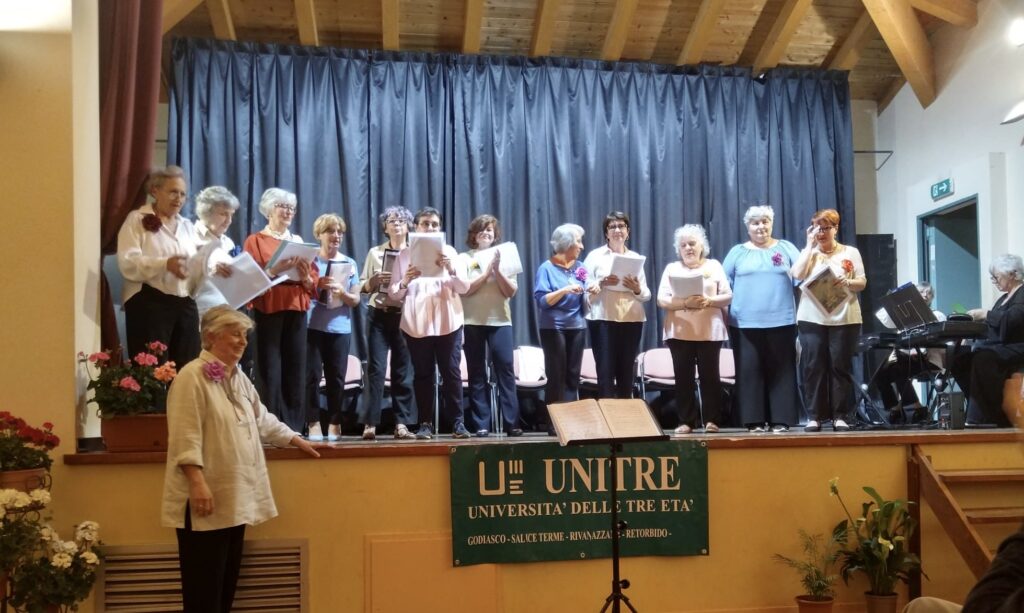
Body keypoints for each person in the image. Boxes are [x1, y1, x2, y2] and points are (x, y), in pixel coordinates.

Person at [161, 305, 321, 613]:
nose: (243, 341)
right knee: (203, 597)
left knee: (223, 593)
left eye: (245, 335)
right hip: (205, 501)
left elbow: (262, 418)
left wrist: (295, 439)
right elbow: (184, 435)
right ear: (210, 336)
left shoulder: (238, 378)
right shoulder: (191, 377)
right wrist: (197, 482)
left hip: (234, 499)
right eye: (235, 334)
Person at [390, 207, 471, 439]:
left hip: (448, 321)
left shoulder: (451, 252)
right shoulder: (404, 255)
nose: (430, 228)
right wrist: (405, 280)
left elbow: (464, 288)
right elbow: (394, 294)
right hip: (417, 323)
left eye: (435, 224)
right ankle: (425, 423)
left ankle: (457, 423)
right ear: (416, 227)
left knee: (451, 373)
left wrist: (451, 269)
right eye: (425, 223)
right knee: (423, 374)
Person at [242, 188, 318, 432]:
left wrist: (307, 278)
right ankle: (270, 424)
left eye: (291, 208)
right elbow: (249, 276)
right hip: (269, 304)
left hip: (296, 304)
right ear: (269, 210)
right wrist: (275, 269)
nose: (287, 212)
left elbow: (313, 280)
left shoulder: (298, 242)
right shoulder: (256, 240)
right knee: (269, 367)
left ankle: (293, 426)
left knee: (295, 366)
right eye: (282, 206)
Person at [721, 205, 802, 432]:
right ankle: (753, 421)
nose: (761, 227)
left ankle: (781, 420)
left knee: (782, 371)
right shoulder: (737, 252)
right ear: (747, 227)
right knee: (749, 372)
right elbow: (722, 285)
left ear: (772, 223)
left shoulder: (786, 248)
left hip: (783, 321)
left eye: (765, 221)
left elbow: (802, 280)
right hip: (743, 324)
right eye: (755, 223)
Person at [117, 165, 201, 370]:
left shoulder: (187, 226)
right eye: (173, 192)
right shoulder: (137, 219)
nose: (178, 199)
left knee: (188, 368)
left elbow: (195, 262)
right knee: (152, 370)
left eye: (183, 194)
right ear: (155, 191)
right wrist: (165, 264)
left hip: (185, 303)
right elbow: (128, 262)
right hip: (149, 302)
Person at [790, 208, 867, 432]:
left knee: (839, 366)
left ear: (836, 228)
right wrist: (809, 246)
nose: (821, 233)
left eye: (826, 228)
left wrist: (847, 282)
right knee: (813, 366)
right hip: (812, 318)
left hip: (844, 317)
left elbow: (862, 282)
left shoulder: (850, 252)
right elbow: (797, 274)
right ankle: (814, 416)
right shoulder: (809, 253)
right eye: (817, 228)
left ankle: (840, 416)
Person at [657, 225, 732, 434]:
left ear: (702, 246)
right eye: (683, 245)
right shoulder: (672, 268)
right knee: (683, 378)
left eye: (692, 244)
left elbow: (728, 296)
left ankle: (712, 420)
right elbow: (661, 299)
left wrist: (709, 300)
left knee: (711, 377)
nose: (688, 248)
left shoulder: (714, 266)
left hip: (710, 331)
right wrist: (684, 303)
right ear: (678, 249)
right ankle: (686, 421)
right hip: (679, 331)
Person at [459, 214, 522, 437]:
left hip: (500, 321)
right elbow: (465, 289)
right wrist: (486, 273)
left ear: (495, 235)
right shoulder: (464, 258)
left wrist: (497, 270)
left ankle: (512, 423)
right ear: (473, 235)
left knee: (505, 370)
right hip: (472, 321)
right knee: (476, 373)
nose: (486, 233)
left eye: (490, 230)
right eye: (481, 229)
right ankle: (481, 424)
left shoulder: (506, 255)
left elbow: (510, 291)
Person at [359, 206, 418, 440]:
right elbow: (362, 287)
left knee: (403, 370)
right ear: (385, 227)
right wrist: (373, 281)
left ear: (409, 226)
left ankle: (402, 423)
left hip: (405, 314)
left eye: (401, 220)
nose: (396, 224)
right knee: (375, 369)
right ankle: (370, 423)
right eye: (391, 221)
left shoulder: (415, 253)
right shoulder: (375, 252)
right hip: (379, 313)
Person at [582, 212, 651, 399]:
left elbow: (646, 294)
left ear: (628, 231)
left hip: (632, 320)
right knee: (605, 371)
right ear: (606, 233)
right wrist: (601, 282)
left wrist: (637, 288)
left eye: (621, 226)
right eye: (612, 227)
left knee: (626, 372)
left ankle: (624, 414)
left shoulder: (636, 257)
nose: (617, 230)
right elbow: (583, 285)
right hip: (603, 319)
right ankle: (607, 413)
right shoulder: (594, 256)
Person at [951, 253, 1024, 427]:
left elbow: (1014, 320)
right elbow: (995, 323)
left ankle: (985, 416)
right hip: (1001, 345)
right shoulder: (1003, 298)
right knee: (959, 360)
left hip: (1016, 345)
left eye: (996, 277)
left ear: (1012, 274)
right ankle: (984, 409)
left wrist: (986, 314)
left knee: (984, 358)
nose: (994, 281)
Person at [305, 214, 361, 441]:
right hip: (312, 326)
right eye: (330, 231)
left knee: (336, 378)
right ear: (319, 235)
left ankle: (335, 422)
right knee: (311, 376)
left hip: (340, 328)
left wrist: (342, 292)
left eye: (340, 232)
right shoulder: (310, 261)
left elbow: (355, 300)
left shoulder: (350, 263)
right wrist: (316, 285)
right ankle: (313, 422)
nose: (336, 236)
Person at [534, 224, 588, 424]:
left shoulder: (580, 267)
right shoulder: (546, 268)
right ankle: (554, 422)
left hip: (577, 326)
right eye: (578, 242)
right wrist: (565, 290)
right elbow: (542, 301)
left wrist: (593, 289)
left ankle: (570, 421)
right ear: (566, 243)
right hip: (553, 327)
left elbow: (586, 293)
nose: (581, 246)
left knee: (573, 375)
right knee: (556, 375)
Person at [873, 282, 946, 423]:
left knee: (898, 366)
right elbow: (884, 317)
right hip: (905, 360)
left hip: (928, 359)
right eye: (921, 292)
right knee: (880, 375)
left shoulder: (937, 315)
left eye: (929, 293)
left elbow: (935, 338)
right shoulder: (903, 318)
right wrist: (895, 298)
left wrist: (918, 350)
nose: (925, 295)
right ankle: (895, 407)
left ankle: (912, 408)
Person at [191, 186, 241, 317]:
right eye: (223, 214)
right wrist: (209, 272)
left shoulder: (228, 242)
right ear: (206, 212)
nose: (229, 221)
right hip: (198, 313)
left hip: (226, 311)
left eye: (231, 215)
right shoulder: (189, 236)